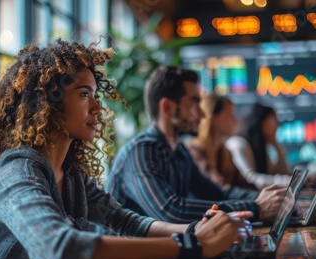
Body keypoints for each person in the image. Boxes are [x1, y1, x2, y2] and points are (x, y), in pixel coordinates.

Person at [0, 40, 251, 259]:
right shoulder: (15, 170)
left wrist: (195, 230)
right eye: (85, 94)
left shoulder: (71, 175)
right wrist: (193, 244)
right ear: (48, 102)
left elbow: (126, 221)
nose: (98, 108)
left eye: (96, 95)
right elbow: (60, 249)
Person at [107, 65, 288, 225]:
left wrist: (271, 200)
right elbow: (171, 211)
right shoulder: (141, 151)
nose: (202, 114)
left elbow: (217, 193)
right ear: (167, 107)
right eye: (194, 102)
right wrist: (255, 207)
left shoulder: (179, 150)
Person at [184, 94, 257, 191]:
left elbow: (245, 184)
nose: (235, 120)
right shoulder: (195, 151)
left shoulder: (224, 153)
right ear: (214, 118)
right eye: (230, 115)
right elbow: (219, 187)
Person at [225, 103, 293, 190]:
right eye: (273, 120)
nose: (277, 125)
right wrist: (287, 181)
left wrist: (275, 144)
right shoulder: (238, 143)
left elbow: (284, 173)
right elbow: (251, 179)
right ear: (259, 121)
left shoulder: (262, 147)